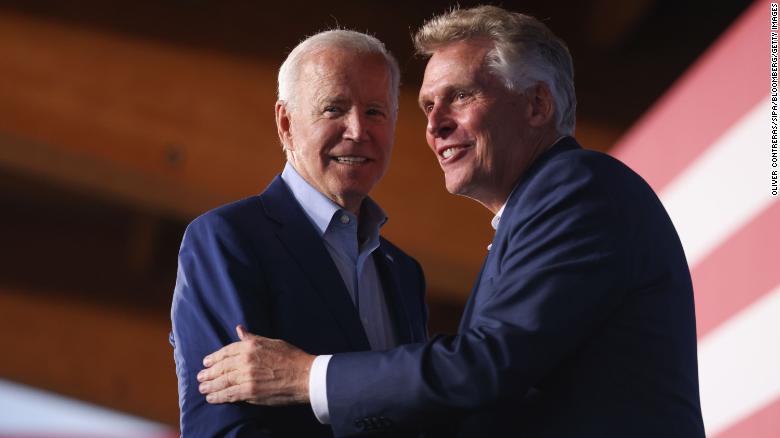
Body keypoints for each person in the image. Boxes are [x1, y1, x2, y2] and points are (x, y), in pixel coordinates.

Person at [197, 6, 706, 437]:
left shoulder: (576, 188)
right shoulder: (532, 212)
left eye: (460, 96)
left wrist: (306, 376)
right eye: (425, 106)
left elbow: (484, 366)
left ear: (537, 104)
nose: (435, 123)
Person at [170, 29, 430, 437]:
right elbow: (225, 430)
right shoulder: (227, 240)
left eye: (376, 111)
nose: (358, 130)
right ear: (286, 123)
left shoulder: (405, 273)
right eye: (334, 109)